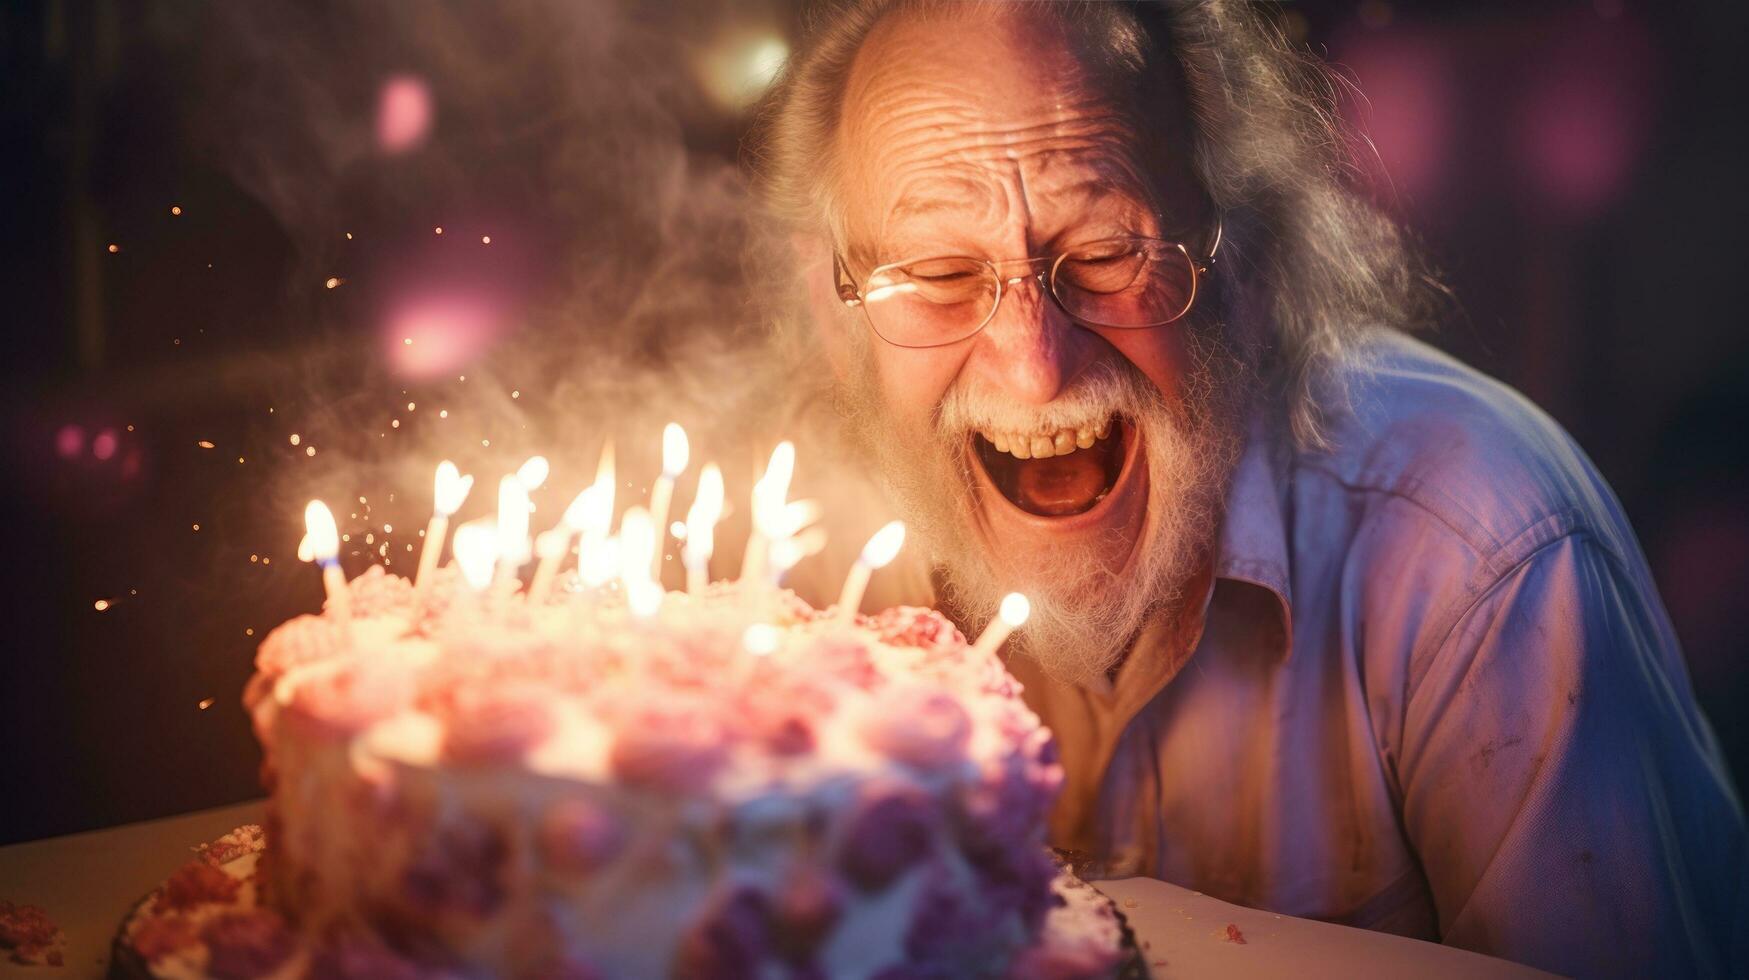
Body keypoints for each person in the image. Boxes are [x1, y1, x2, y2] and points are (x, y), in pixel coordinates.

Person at [749, 1, 1747, 975]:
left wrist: (1109, 935)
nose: (1035, 367)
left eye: (1106, 254)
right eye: (936, 274)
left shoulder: (1482, 543)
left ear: (1250, 268)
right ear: (835, 317)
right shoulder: (789, 569)